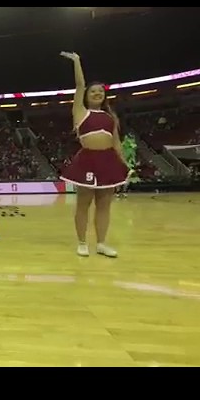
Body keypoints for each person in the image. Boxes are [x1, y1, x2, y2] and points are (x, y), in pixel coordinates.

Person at [58, 51, 130, 257]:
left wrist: (124, 166)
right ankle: (82, 242)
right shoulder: (81, 112)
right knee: (83, 203)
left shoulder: (110, 117)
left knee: (104, 205)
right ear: (87, 96)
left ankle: (101, 243)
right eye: (93, 91)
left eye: (101, 91)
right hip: (88, 160)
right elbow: (80, 85)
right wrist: (77, 62)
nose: (98, 93)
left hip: (108, 161)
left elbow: (116, 144)